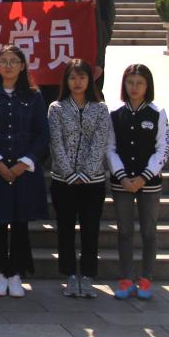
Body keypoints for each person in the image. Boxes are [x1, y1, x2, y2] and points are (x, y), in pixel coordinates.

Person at [0, 45, 49, 299]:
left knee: (19, 222)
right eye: (3, 61)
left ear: (23, 66)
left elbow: (42, 134)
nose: (8, 66)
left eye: (13, 61)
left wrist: (24, 163)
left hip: (23, 170)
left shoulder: (34, 96)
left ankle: (16, 272)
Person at [47, 58, 111, 299]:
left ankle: (87, 276)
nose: (77, 82)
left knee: (90, 230)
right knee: (65, 228)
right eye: (72, 77)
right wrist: (69, 173)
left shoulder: (100, 108)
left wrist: (86, 173)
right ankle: (70, 275)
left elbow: (100, 142)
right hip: (63, 181)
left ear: (90, 80)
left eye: (82, 77)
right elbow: (56, 143)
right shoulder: (56, 108)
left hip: (92, 182)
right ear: (66, 81)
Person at [108, 64, 169, 301]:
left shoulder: (157, 112)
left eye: (139, 83)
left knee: (148, 231)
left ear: (147, 86)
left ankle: (145, 279)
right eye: (130, 83)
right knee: (124, 230)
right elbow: (109, 147)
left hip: (149, 182)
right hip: (122, 182)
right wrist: (122, 176)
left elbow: (163, 148)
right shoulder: (115, 113)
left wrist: (144, 176)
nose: (134, 87)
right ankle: (126, 278)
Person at [38, 0, 106, 98]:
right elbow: (53, 9)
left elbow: (97, 30)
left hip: (81, 55)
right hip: (54, 54)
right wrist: (79, 3)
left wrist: (99, 62)